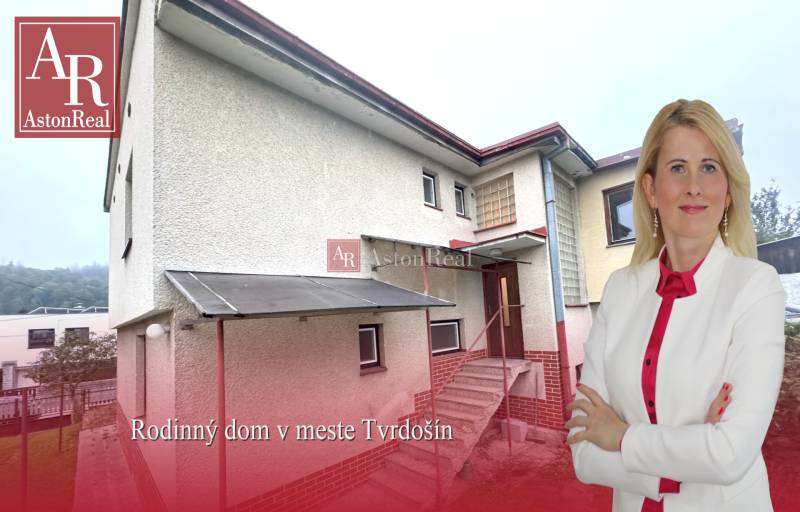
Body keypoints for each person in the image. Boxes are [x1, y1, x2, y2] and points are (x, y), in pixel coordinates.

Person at [565, 99, 785, 511]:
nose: (694, 186)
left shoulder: (756, 287)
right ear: (651, 190)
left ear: (728, 192)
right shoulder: (619, 289)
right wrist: (689, 452)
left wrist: (621, 436)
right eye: (678, 168)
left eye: (709, 167)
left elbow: (731, 453)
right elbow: (583, 450)